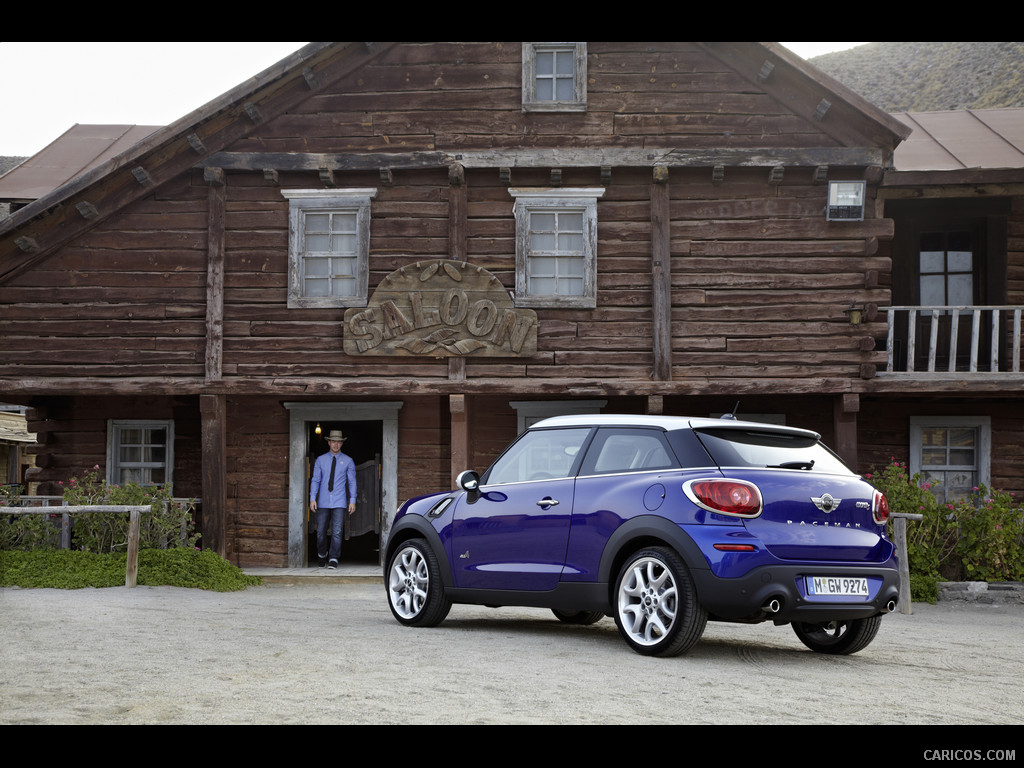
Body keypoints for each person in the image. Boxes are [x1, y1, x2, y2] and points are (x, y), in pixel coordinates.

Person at [309, 429, 357, 569]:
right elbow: (315, 480)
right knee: (320, 532)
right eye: (333, 441)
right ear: (329, 442)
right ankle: (322, 554)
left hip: (339, 501)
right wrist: (313, 498)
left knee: (337, 532)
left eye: (338, 442)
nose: (336, 444)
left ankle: (334, 558)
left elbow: (352, 482)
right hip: (323, 501)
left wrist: (352, 500)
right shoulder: (320, 460)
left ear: (341, 444)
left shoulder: (348, 461)